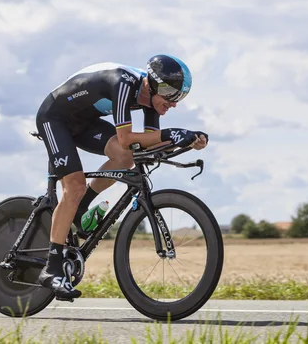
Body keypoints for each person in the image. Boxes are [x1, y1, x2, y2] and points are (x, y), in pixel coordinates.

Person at [35, 54, 209, 299]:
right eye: (171, 95)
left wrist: (187, 140)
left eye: (179, 97)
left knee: (126, 157)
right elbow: (128, 138)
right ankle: (51, 269)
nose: (174, 103)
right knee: (74, 186)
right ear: (154, 83)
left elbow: (147, 145)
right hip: (54, 118)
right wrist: (173, 134)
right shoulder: (124, 83)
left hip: (85, 122)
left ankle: (80, 209)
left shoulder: (152, 100)